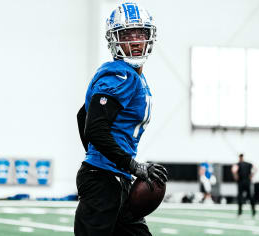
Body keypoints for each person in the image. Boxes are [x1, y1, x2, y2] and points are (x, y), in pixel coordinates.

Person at [74, 2, 168, 236]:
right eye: (126, 34)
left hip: (115, 178)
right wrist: (129, 164)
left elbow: (82, 116)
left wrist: (112, 163)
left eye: (141, 33)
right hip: (103, 182)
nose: (135, 41)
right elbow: (93, 127)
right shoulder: (121, 74)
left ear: (150, 37)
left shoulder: (134, 76)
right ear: (114, 39)